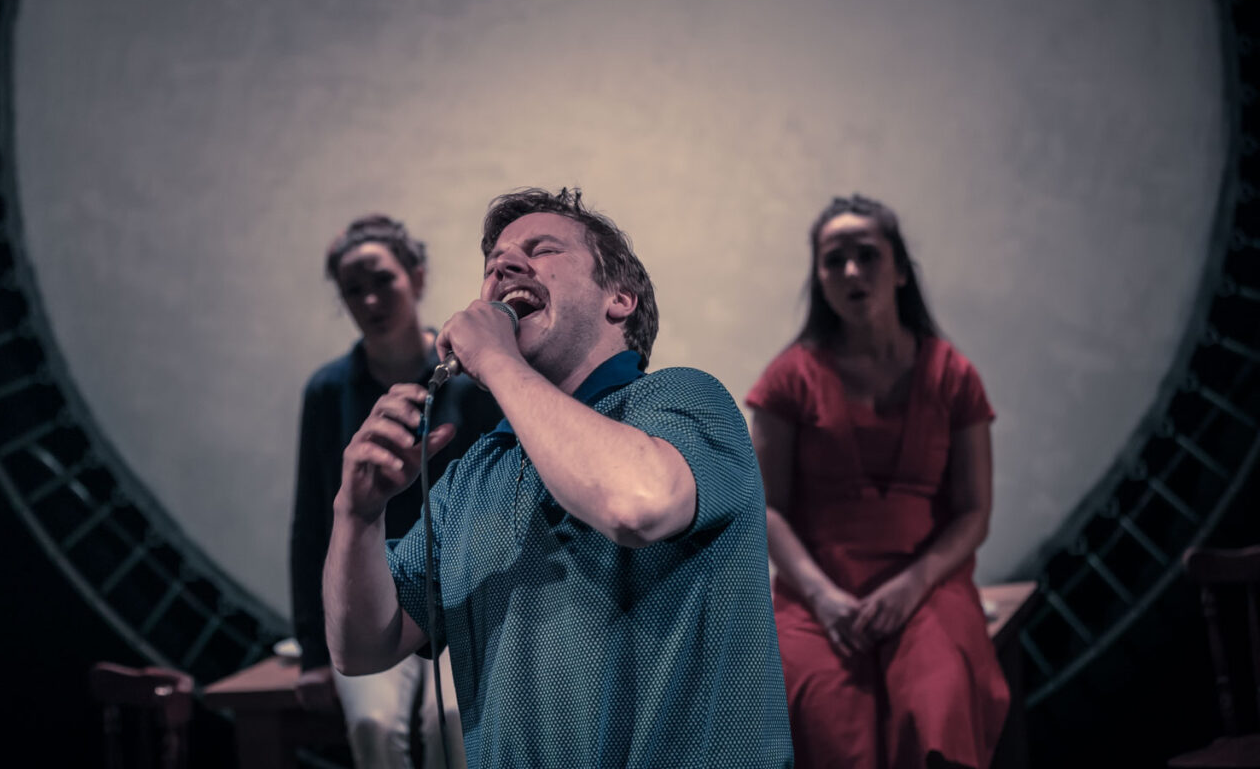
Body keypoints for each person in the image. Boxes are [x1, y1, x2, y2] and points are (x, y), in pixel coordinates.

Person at [324, 188, 793, 769]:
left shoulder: (682, 401)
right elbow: (363, 647)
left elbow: (635, 504)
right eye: (493, 262)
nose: (504, 266)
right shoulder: (474, 474)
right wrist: (358, 515)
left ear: (619, 299)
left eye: (541, 249)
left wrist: (496, 360)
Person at [744, 194, 1010, 769]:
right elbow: (765, 509)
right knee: (820, 715)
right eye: (833, 260)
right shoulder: (789, 378)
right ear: (818, 277)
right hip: (818, 594)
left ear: (900, 269)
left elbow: (973, 512)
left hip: (928, 586)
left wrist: (914, 586)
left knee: (936, 704)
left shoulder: (952, 374)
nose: (851, 272)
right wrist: (821, 596)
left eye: (867, 255)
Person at [289, 214, 501, 769]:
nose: (370, 300)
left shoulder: (474, 381)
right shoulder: (328, 391)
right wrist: (314, 651)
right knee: (370, 725)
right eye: (353, 290)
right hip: (370, 593)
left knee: (453, 722)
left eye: (382, 280)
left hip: (461, 595)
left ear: (417, 277)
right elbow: (314, 520)